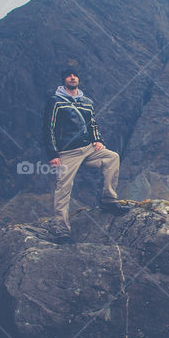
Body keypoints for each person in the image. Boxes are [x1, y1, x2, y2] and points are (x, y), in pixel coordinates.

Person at [42, 70, 129, 238]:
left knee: (112, 157)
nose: (72, 77)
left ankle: (108, 200)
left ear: (78, 79)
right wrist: (53, 154)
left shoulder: (87, 102)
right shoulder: (55, 102)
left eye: (74, 75)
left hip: (88, 149)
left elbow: (92, 124)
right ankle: (61, 227)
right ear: (64, 80)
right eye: (68, 75)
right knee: (64, 187)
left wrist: (98, 140)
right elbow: (49, 128)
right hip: (67, 152)